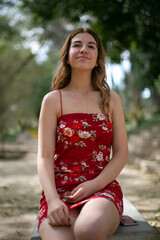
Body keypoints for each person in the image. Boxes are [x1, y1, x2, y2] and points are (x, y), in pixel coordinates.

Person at [37, 28, 128, 240]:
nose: (83, 50)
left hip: (102, 188)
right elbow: (44, 157)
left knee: (88, 231)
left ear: (97, 59)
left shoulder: (111, 99)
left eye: (91, 46)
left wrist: (93, 186)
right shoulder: (52, 100)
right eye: (77, 45)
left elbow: (122, 153)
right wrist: (52, 200)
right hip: (60, 192)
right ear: (67, 56)